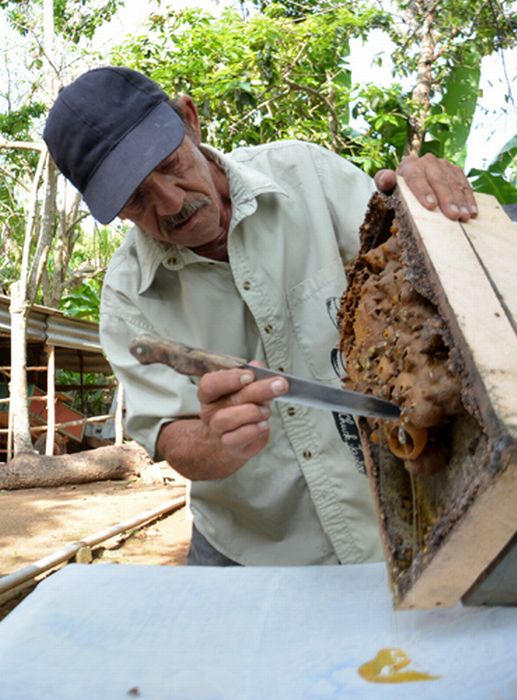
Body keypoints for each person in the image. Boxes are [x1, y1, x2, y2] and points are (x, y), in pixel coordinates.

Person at [44, 66, 478, 566]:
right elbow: (166, 432)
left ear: (189, 121)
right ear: (115, 211)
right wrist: (211, 441)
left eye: (167, 164)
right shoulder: (127, 297)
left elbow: (409, 262)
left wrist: (428, 202)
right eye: (135, 197)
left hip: (393, 516)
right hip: (250, 550)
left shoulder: (308, 176)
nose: (171, 202)